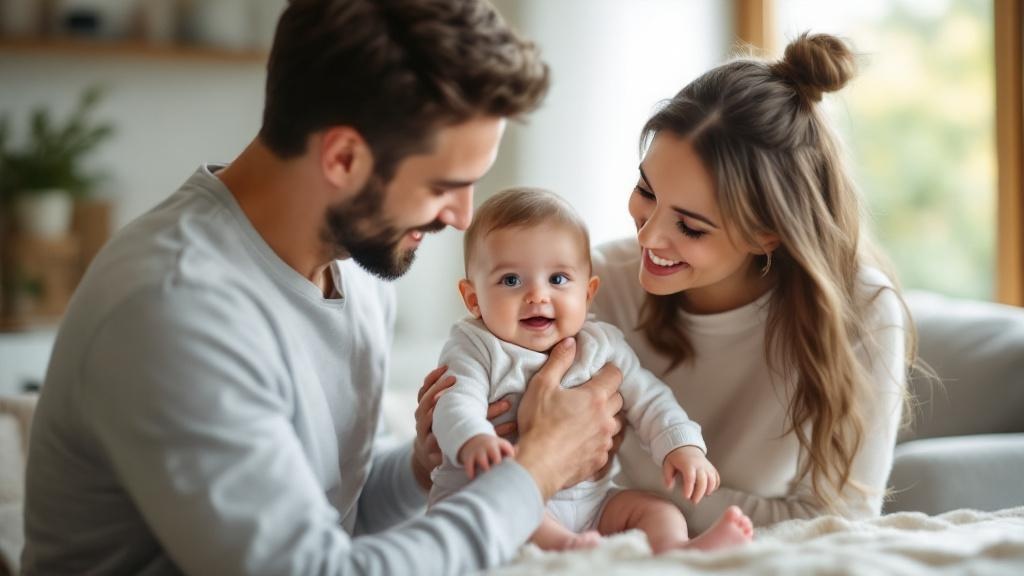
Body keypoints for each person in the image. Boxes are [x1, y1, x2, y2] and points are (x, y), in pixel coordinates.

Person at [21, 1, 624, 574]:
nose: (462, 217)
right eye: (444, 185)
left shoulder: (359, 268)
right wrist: (536, 472)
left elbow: (338, 516)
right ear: (342, 158)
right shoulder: (172, 308)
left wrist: (420, 466)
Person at [426, 32, 914, 537]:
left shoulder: (863, 311)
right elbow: (486, 464)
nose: (649, 235)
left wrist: (582, 470)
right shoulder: (584, 289)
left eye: (691, 226)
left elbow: (840, 523)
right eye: (645, 190)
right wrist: (433, 456)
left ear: (768, 233)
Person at [427, 187, 753, 553]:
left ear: (588, 293)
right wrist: (474, 439)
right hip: (503, 494)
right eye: (511, 281)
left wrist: (683, 447)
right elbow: (455, 401)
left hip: (592, 501)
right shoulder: (476, 346)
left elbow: (649, 398)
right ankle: (569, 549)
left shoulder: (601, 344)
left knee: (657, 509)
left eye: (558, 279)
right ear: (473, 299)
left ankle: (677, 548)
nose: (538, 296)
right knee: (527, 519)